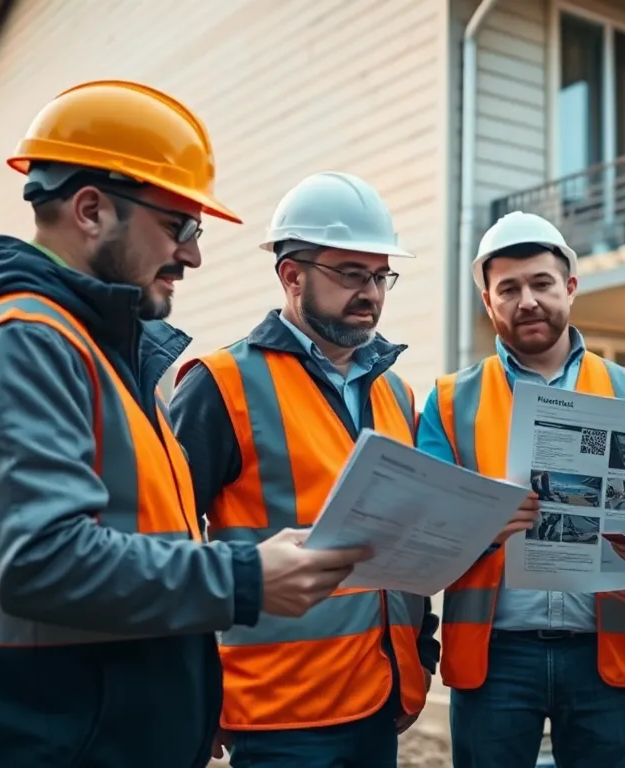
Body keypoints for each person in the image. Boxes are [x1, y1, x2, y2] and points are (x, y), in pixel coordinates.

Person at [0, 81, 370, 767]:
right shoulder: (19, 346)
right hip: (46, 745)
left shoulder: (101, 354)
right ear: (92, 210)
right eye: (179, 227)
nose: (192, 255)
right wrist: (246, 578)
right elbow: (39, 559)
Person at [169, 171, 440, 767]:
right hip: (278, 712)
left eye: (380, 275)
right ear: (291, 275)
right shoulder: (222, 385)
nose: (371, 291)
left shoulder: (395, 393)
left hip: (380, 698)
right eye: (351, 273)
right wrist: (195, 689)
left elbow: (402, 541)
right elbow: (172, 551)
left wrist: (418, 653)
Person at [416, 211, 625, 767]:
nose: (526, 300)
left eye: (541, 283)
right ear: (488, 302)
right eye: (508, 288)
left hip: (603, 655)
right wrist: (485, 523)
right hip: (496, 658)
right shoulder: (450, 402)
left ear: (570, 289)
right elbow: (426, 531)